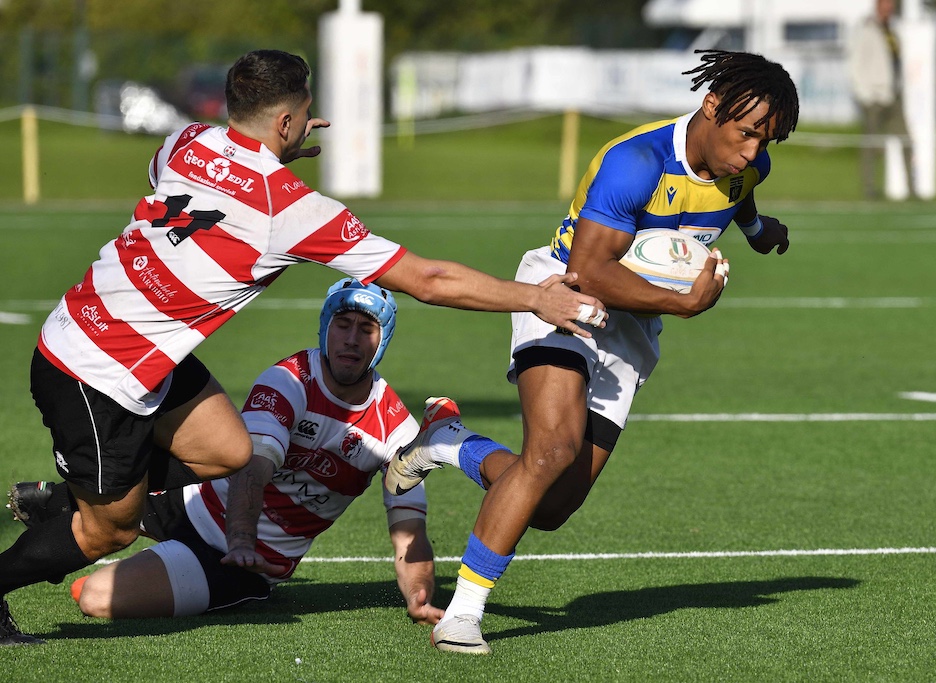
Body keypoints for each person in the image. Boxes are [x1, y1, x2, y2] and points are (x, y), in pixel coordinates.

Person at [0, 49, 605, 645]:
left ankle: (93, 486)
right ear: (289, 122)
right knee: (111, 533)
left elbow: (166, 178)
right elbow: (428, 280)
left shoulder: (186, 142)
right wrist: (534, 298)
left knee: (230, 450)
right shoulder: (291, 209)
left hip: (100, 334)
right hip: (97, 373)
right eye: (300, 115)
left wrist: (259, 159)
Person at [385, 49, 800, 654]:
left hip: (630, 333)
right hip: (562, 298)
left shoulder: (747, 164)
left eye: (766, 143)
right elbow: (589, 269)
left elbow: (742, 196)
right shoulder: (635, 162)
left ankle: (448, 444)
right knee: (550, 449)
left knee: (551, 504)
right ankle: (463, 615)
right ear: (711, 106)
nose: (751, 153)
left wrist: (762, 234)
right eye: (744, 134)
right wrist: (683, 303)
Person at [9, 279, 445, 622]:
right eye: (342, 324)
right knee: (127, 495)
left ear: (382, 339)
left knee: (93, 597)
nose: (351, 339)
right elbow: (251, 468)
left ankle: (73, 511)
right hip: (191, 503)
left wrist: (419, 594)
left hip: (243, 562)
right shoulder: (291, 378)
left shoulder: (395, 429)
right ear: (325, 327)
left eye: (366, 329)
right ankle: (92, 508)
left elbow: (409, 529)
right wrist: (241, 534)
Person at [849, 0, 915, 200]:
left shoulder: (892, 31)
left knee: (906, 141)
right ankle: (869, 189)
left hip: (893, 95)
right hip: (873, 97)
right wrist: (864, 95)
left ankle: (911, 189)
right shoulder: (866, 30)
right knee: (871, 146)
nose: (890, 9)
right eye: (886, 5)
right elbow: (854, 64)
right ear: (878, 6)